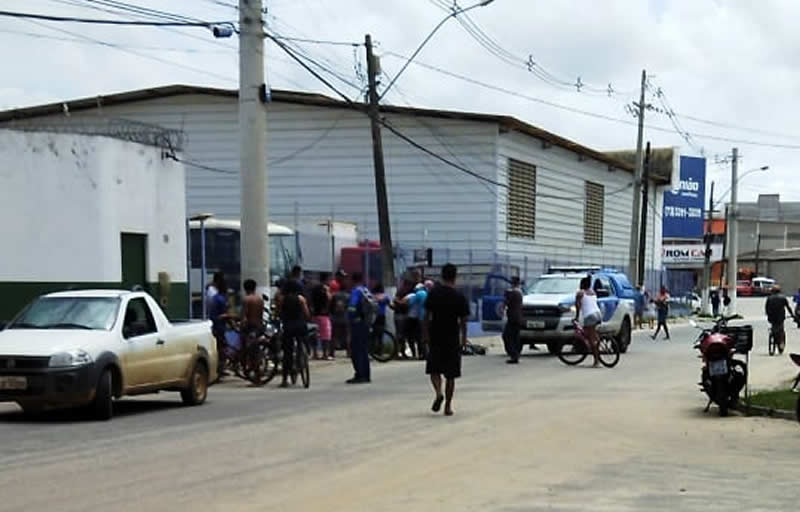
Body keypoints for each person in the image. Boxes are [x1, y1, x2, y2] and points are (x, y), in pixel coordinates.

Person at [425, 263, 470, 416]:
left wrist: (425, 335)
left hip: (436, 336)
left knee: (434, 370)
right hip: (452, 338)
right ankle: (448, 406)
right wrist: (463, 339)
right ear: (455, 276)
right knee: (451, 375)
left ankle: (438, 392)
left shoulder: (434, 293)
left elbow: (427, 316)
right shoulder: (459, 296)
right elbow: (464, 320)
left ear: (442, 275)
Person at [276, 265, 310, 387]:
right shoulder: (301, 299)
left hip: (288, 326)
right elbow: (307, 313)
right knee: (303, 339)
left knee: (287, 352)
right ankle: (305, 353)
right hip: (300, 325)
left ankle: (285, 379)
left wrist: (281, 316)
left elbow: (279, 312)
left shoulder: (282, 299)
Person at [347, 272, 372, 384]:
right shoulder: (366, 290)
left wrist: (349, 317)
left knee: (356, 350)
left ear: (353, 280)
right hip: (366, 323)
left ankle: (359, 374)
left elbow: (352, 307)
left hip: (357, 323)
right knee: (364, 349)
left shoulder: (356, 291)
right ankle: (366, 374)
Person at [574, 276, 601, 368]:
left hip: (590, 316)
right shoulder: (592, 292)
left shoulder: (580, 293)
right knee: (590, 332)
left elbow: (578, 306)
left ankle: (596, 361)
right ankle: (596, 341)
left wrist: (576, 317)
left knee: (591, 339)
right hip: (597, 314)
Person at [400, 282, 429, 360]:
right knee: (422, 336)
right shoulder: (427, 294)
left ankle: (418, 353)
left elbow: (410, 303)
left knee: (411, 336)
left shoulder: (417, 294)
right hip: (425, 316)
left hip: (417, 317)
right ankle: (422, 353)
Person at [310, 273, 332, 360]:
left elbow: (311, 300)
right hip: (324, 315)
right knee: (325, 336)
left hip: (315, 314)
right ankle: (325, 354)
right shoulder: (325, 288)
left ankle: (315, 353)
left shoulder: (314, 288)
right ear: (326, 279)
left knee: (315, 334)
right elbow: (329, 299)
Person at [765, 286, 794, 353]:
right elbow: (788, 307)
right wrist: (792, 314)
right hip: (780, 317)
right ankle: (781, 342)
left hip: (771, 317)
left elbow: (766, 308)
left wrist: (768, 315)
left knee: (773, 326)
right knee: (781, 329)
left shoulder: (769, 298)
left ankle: (773, 334)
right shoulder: (783, 298)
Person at [502, 276, 523, 364]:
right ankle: (515, 354)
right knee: (515, 337)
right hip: (517, 317)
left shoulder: (514, 292)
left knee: (507, 336)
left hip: (513, 317)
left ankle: (513, 354)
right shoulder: (519, 291)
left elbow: (507, 301)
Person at [330, 271, 350, 359]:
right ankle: (349, 353)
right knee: (347, 335)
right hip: (345, 318)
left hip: (335, 317)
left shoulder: (334, 295)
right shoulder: (348, 296)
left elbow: (331, 306)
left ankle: (331, 353)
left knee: (334, 336)